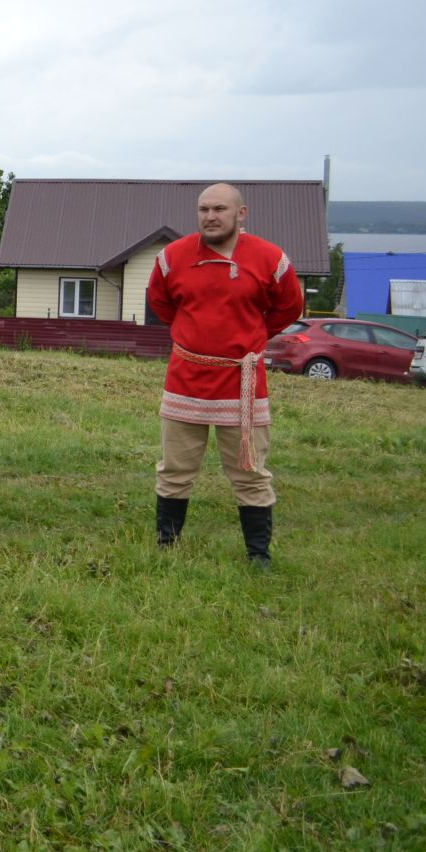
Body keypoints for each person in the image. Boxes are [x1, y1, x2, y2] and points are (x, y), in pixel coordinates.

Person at [145, 182, 305, 567]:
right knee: (175, 468)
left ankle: (258, 556)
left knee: (250, 471)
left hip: (243, 384)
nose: (210, 217)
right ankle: (167, 547)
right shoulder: (173, 257)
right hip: (187, 379)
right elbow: (162, 304)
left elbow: (289, 308)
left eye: (219, 209)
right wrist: (199, 339)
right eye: (203, 210)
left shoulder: (270, 259)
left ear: (240, 213)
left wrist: (248, 340)